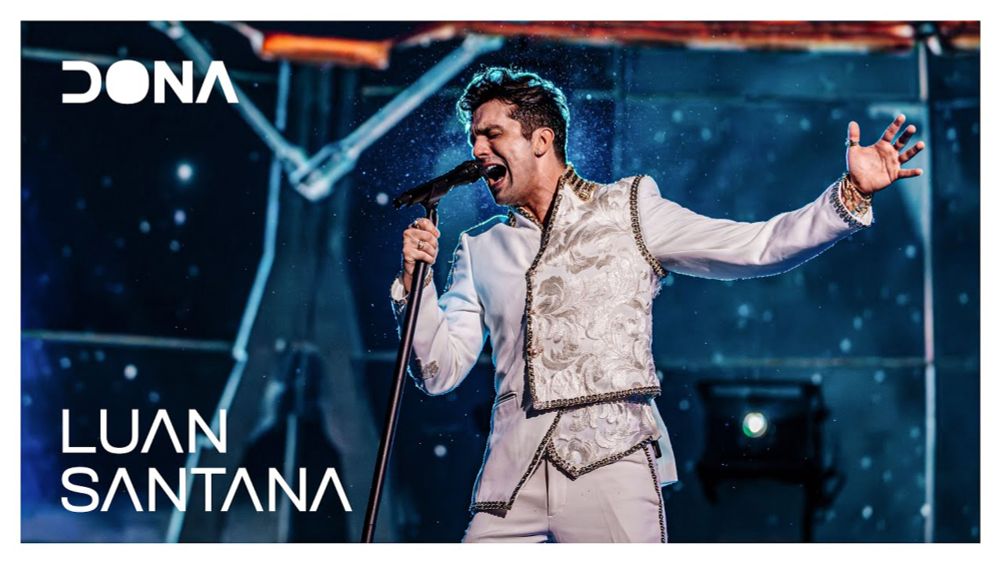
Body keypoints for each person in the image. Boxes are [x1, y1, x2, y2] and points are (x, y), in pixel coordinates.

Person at [389, 66, 925, 543]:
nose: (478, 149)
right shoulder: (479, 247)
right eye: (473, 137)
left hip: (609, 463)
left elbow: (757, 246)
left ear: (541, 140)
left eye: (492, 134)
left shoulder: (628, 210)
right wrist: (416, 285)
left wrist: (849, 194)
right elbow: (437, 370)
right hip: (511, 478)